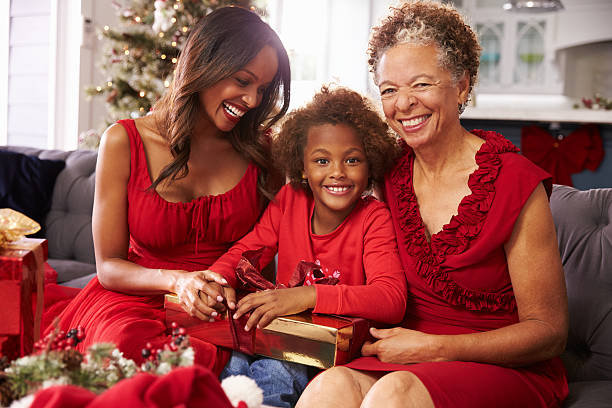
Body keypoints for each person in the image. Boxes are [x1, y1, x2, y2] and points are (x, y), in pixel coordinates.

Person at [297, 2, 569, 407]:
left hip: (501, 366)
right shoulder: (387, 173)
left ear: (461, 85)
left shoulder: (515, 181)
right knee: (328, 386)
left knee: (395, 394)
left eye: (421, 84)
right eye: (389, 90)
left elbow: (549, 331)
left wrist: (434, 348)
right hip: (404, 354)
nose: (403, 104)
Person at [43, 6, 291, 375]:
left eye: (263, 88)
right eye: (243, 80)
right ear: (205, 62)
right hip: (132, 300)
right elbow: (108, 266)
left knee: (192, 367)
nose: (253, 100)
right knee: (131, 351)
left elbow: (268, 253)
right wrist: (177, 280)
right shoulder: (124, 141)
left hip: (214, 310)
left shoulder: (263, 153)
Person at [208, 86, 408, 407]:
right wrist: (216, 279)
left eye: (352, 159)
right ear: (302, 166)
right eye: (322, 160)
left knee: (274, 372)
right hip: (281, 336)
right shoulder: (291, 200)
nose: (337, 172)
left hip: (330, 353)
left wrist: (306, 295)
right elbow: (249, 248)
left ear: (370, 164)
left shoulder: (374, 218)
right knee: (230, 364)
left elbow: (391, 299)